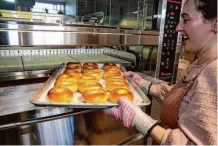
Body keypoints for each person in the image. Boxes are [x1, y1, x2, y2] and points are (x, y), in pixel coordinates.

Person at [105, 0, 217, 144]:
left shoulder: (214, 73)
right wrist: (147, 86)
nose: (178, 27)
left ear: (215, 24)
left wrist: (143, 121)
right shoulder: (199, 64)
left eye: (186, 19)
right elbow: (185, 104)